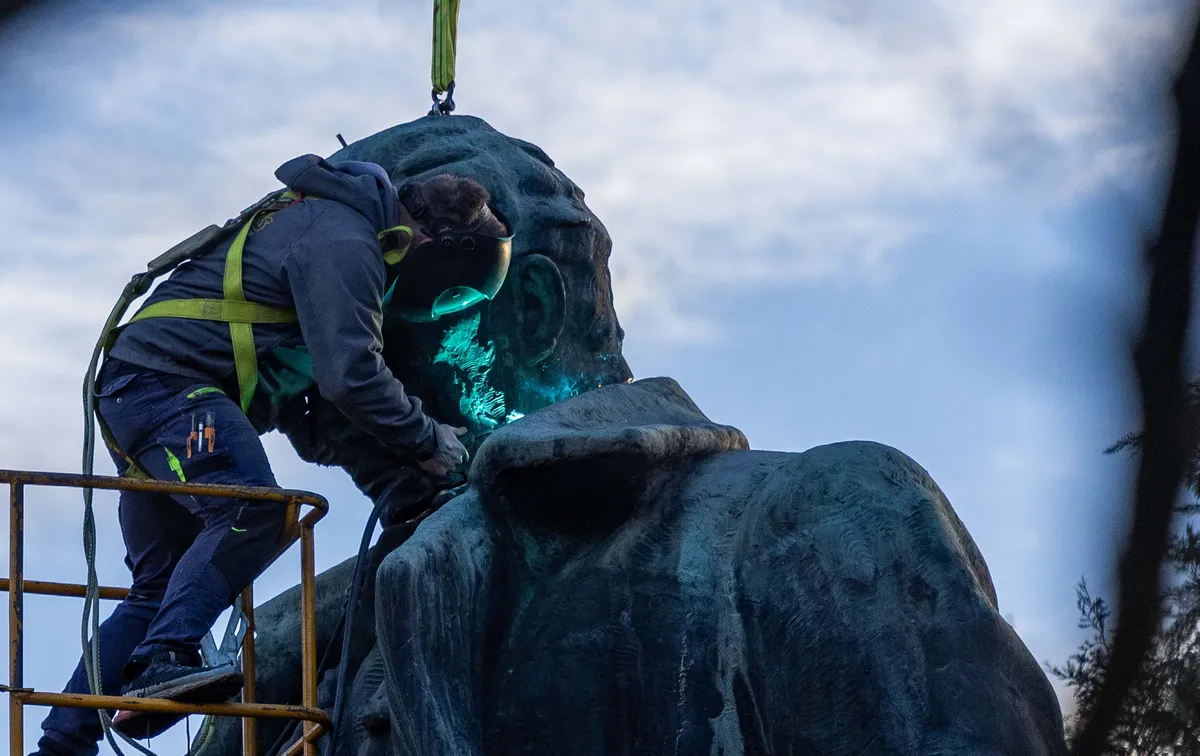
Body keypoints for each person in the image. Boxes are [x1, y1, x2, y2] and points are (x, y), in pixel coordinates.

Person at [33, 154, 512, 755]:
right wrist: (427, 440)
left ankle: (61, 745)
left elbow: (304, 405)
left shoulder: (324, 226)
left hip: (146, 396)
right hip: (167, 391)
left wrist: (398, 466)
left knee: (159, 589)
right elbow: (352, 375)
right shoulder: (346, 240)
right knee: (255, 510)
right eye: (452, 294)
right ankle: (162, 660)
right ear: (440, 247)